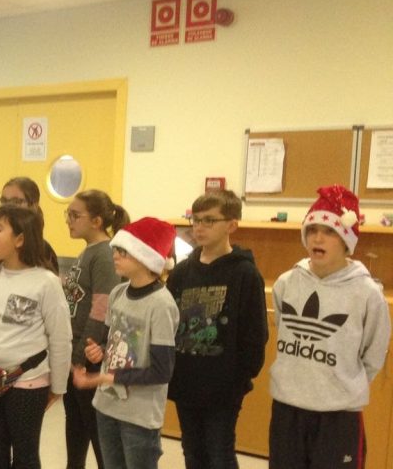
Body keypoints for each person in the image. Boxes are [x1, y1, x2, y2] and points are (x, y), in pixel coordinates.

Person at [268, 185, 391, 469]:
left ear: (347, 241)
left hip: (338, 415)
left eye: (330, 231)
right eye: (312, 230)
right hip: (288, 410)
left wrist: (343, 386)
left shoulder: (366, 293)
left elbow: (373, 355)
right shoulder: (287, 282)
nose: (318, 238)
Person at [167, 190, 267, 469]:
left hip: (223, 387)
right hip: (186, 382)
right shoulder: (181, 272)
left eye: (209, 220)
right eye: (196, 220)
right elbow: (170, 324)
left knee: (219, 453)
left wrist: (239, 377)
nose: (199, 227)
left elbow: (255, 333)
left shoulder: (245, 273)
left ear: (231, 225)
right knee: (192, 451)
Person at [73, 217, 180, 469]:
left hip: (138, 416)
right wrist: (99, 352)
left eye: (123, 251)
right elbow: (111, 343)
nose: (115, 255)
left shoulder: (161, 305)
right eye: (116, 250)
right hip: (107, 406)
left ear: (145, 257)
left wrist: (107, 377)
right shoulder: (118, 294)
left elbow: (162, 371)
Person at [0, 206, 72, 469]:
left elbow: (60, 337)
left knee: (25, 454)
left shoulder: (45, 282)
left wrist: (58, 386)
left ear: (20, 239)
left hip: (27, 382)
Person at [60, 190, 129, 469]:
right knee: (75, 425)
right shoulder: (88, 251)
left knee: (96, 430)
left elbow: (101, 309)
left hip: (88, 354)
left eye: (75, 215)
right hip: (75, 350)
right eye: (68, 214)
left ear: (97, 221)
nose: (69, 220)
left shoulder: (104, 254)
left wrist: (80, 355)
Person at [0, 177, 60, 274]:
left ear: (33, 206)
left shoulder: (44, 252)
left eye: (16, 201)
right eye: (4, 201)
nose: (7, 207)